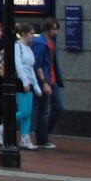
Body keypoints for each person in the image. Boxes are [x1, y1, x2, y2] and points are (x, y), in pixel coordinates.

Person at [34, 18, 63, 148]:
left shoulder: (50, 42)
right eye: (53, 29)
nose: (56, 32)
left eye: (56, 29)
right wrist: (44, 82)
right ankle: (42, 138)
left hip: (52, 79)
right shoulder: (41, 43)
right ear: (47, 29)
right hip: (46, 80)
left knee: (57, 107)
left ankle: (43, 133)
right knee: (44, 110)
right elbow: (38, 64)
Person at [13, 23, 40, 150]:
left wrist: (36, 86)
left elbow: (31, 68)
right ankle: (5, 125)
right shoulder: (17, 46)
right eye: (31, 33)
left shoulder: (29, 49)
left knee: (28, 113)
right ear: (24, 34)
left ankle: (25, 138)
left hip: (28, 82)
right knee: (25, 111)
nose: (33, 36)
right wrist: (24, 81)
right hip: (20, 81)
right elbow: (19, 65)